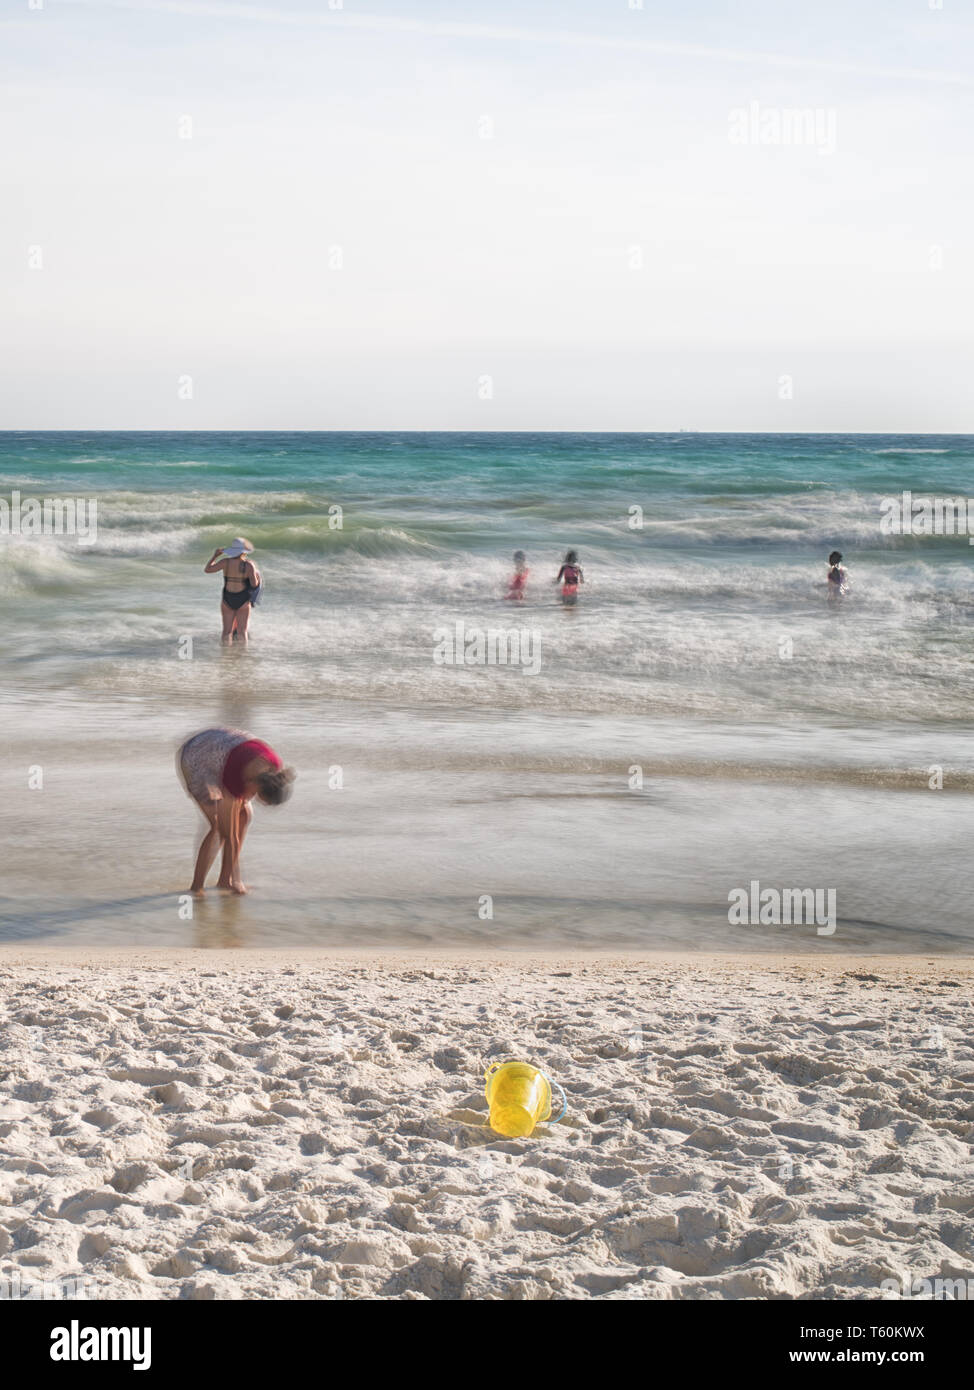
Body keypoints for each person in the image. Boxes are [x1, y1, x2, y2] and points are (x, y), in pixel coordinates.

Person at [177, 727, 295, 895]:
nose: (252, 798)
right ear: (255, 786)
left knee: (245, 815)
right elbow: (229, 835)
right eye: (256, 796)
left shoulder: (274, 769)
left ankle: (225, 880)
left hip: (223, 752)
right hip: (195, 757)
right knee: (219, 827)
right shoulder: (236, 777)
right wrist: (239, 881)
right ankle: (197, 887)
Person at [205, 537, 261, 643]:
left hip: (227, 598)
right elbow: (254, 584)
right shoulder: (249, 565)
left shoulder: (225, 562)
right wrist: (257, 577)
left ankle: (225, 657)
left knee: (226, 631)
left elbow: (207, 570)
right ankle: (243, 656)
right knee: (242, 632)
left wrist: (215, 556)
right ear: (243, 551)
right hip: (243, 599)